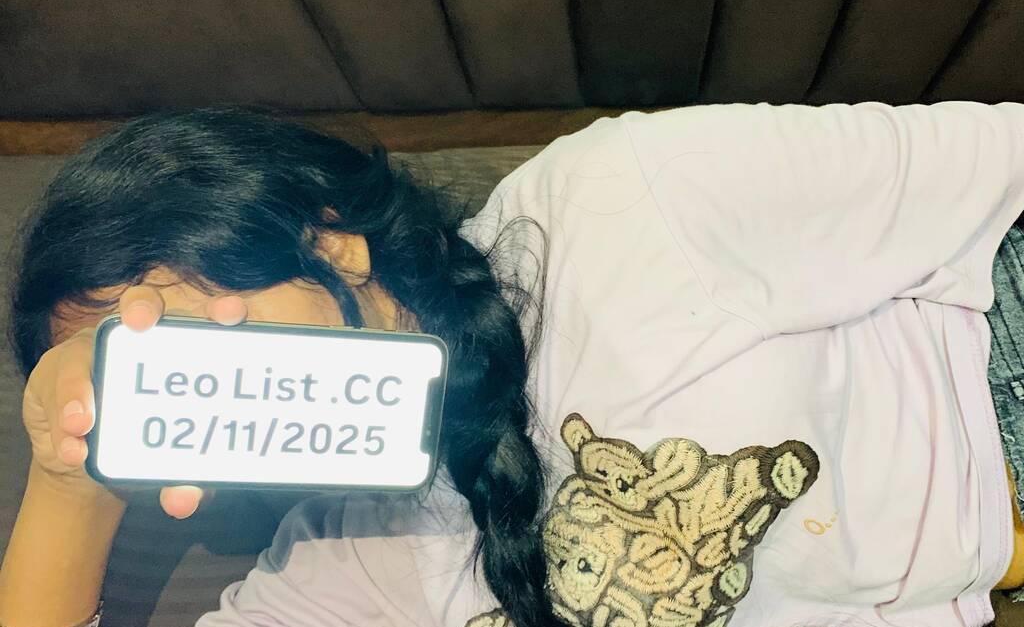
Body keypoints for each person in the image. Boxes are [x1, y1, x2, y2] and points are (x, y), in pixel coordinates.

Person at [3, 102, 1024, 627]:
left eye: (185, 338)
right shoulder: (344, 558)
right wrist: (69, 480)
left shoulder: (622, 199)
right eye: (150, 395)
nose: (218, 398)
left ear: (329, 239)